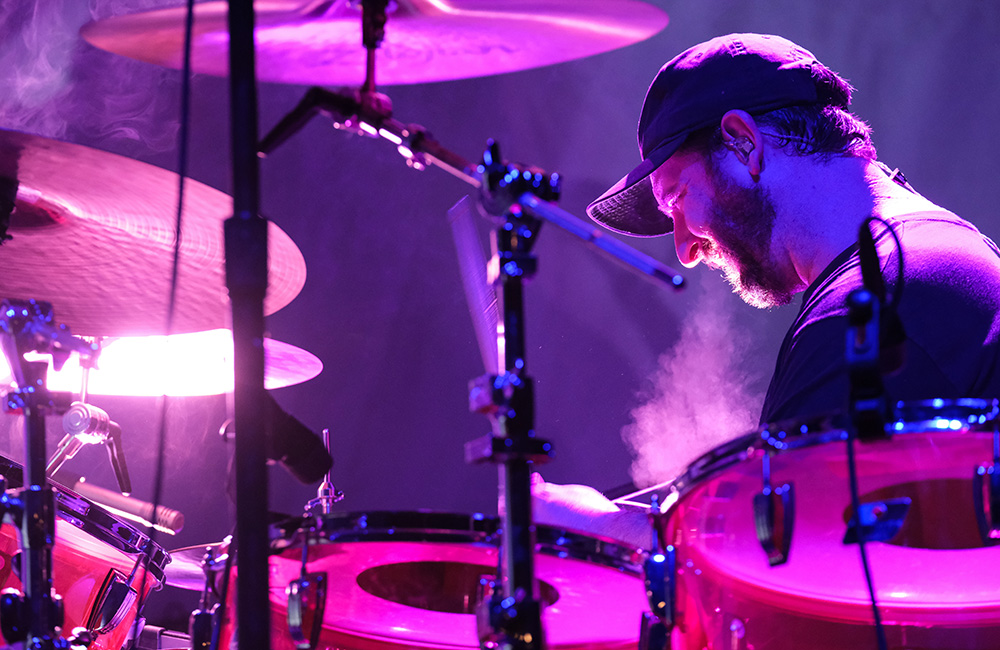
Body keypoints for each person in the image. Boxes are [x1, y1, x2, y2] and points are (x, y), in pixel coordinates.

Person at [532, 33, 1000, 547]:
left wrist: (599, 528)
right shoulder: (927, 258)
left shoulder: (876, 303)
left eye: (678, 201)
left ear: (743, 143)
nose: (686, 247)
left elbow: (780, 563)